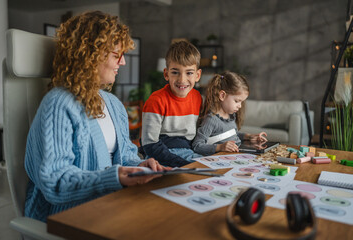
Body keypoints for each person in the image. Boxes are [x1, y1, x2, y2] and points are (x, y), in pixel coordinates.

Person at [24, 11, 169, 222]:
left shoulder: (113, 104)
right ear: (90, 55)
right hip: (68, 216)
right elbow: (55, 182)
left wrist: (139, 166)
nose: (123, 63)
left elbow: (127, 156)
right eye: (115, 55)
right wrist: (113, 177)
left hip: (113, 204)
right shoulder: (58, 104)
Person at [141, 41, 202, 167]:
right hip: (162, 153)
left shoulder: (197, 98)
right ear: (166, 74)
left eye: (189, 73)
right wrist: (182, 164)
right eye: (175, 72)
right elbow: (149, 144)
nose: (182, 80)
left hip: (190, 151)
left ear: (197, 75)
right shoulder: (156, 100)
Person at [192, 71, 267, 156]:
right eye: (237, 101)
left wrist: (249, 137)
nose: (240, 106)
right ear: (222, 95)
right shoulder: (211, 120)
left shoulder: (230, 116)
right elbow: (197, 146)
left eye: (241, 102)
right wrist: (220, 147)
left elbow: (231, 134)